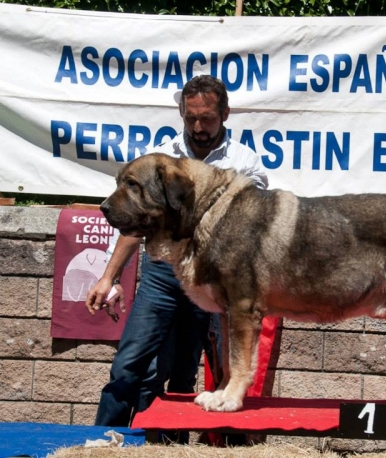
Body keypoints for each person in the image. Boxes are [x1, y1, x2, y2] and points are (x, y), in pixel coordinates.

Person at [85, 75, 269, 434]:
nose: (199, 127)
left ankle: (173, 445)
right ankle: (100, 439)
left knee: (193, 371)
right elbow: (136, 221)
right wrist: (109, 277)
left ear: (226, 114)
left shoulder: (245, 161)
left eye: (208, 119)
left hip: (216, 279)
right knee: (131, 362)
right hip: (164, 276)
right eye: (191, 118)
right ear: (182, 114)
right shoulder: (161, 158)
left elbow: (252, 226)